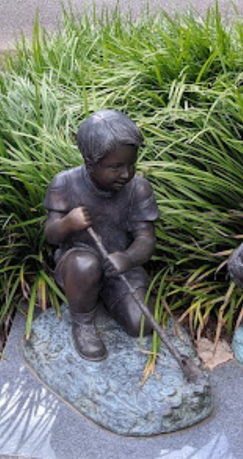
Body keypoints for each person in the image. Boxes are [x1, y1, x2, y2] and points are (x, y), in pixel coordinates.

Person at [44, 110, 159, 361]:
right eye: (116, 167)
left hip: (120, 267)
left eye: (131, 164)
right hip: (79, 266)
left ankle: (109, 295)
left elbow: (146, 239)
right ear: (89, 162)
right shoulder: (64, 184)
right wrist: (67, 223)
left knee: (142, 324)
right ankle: (83, 321)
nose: (126, 174)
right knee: (86, 264)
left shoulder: (137, 188)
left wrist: (127, 259)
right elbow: (51, 235)